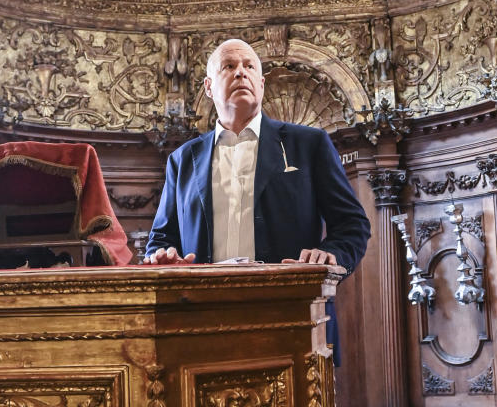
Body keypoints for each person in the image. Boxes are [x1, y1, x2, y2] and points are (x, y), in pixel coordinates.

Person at [145, 38, 370, 294]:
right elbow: (161, 240)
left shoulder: (309, 144)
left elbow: (352, 225)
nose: (240, 72)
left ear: (261, 85)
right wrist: (164, 258)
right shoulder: (182, 159)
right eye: (228, 66)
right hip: (201, 309)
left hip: (292, 305)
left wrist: (329, 254)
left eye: (249, 66)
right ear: (209, 87)